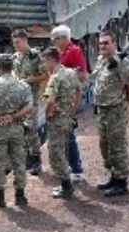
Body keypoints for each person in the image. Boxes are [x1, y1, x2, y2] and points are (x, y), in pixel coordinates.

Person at [0, 53, 34, 207]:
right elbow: (30, 107)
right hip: (17, 128)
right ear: (13, 67)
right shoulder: (23, 85)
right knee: (19, 161)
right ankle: (20, 196)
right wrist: (13, 116)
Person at [92, 30, 129, 197]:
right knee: (105, 146)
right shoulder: (101, 60)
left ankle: (121, 182)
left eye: (106, 43)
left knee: (117, 146)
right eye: (101, 43)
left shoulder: (121, 62)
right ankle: (113, 176)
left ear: (114, 43)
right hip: (103, 110)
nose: (103, 46)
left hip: (116, 110)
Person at [41, 47, 83, 199]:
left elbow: (50, 100)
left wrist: (47, 114)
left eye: (45, 61)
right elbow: (79, 92)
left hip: (58, 121)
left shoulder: (55, 77)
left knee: (55, 154)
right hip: (68, 118)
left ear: (52, 60)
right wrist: (73, 110)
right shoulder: (71, 73)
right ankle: (68, 181)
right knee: (64, 149)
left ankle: (67, 186)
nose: (45, 65)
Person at [50, 25, 88, 182]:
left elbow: (83, 75)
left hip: (68, 99)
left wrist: (64, 78)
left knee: (69, 136)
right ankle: (71, 167)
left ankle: (76, 169)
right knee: (65, 136)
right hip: (61, 98)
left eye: (55, 39)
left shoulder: (74, 51)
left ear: (65, 38)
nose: (53, 42)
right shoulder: (61, 52)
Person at [9, 29, 48, 175]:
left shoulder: (35, 56)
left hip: (31, 98)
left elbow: (45, 75)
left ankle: (36, 159)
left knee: (31, 128)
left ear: (25, 41)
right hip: (18, 99)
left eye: (18, 42)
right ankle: (26, 159)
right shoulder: (14, 57)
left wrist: (32, 79)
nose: (16, 46)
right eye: (14, 43)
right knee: (20, 129)